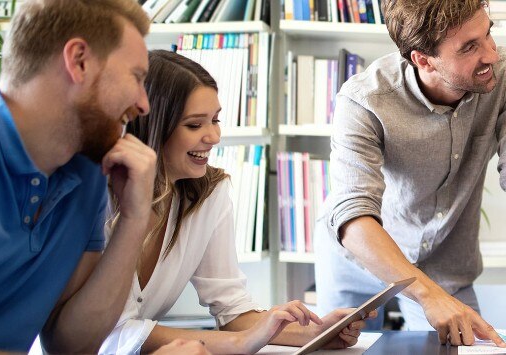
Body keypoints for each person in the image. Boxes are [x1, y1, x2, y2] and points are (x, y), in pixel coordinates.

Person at [316, 0, 506, 347]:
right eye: (469, 47)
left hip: (445, 264)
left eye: (488, 33)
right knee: (336, 351)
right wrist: (427, 295)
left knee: (472, 351)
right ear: (423, 59)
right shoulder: (364, 100)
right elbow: (353, 213)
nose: (491, 54)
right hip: (359, 260)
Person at [0, 0, 202, 352]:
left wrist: (134, 219)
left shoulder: (86, 170)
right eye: (136, 77)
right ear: (79, 61)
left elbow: (69, 345)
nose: (144, 104)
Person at [97, 50, 369, 354]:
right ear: (153, 126)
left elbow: (233, 310)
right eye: (194, 125)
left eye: (215, 120)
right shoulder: (99, 197)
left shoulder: (210, 193)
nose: (213, 136)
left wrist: (312, 333)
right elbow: (110, 334)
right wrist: (239, 343)